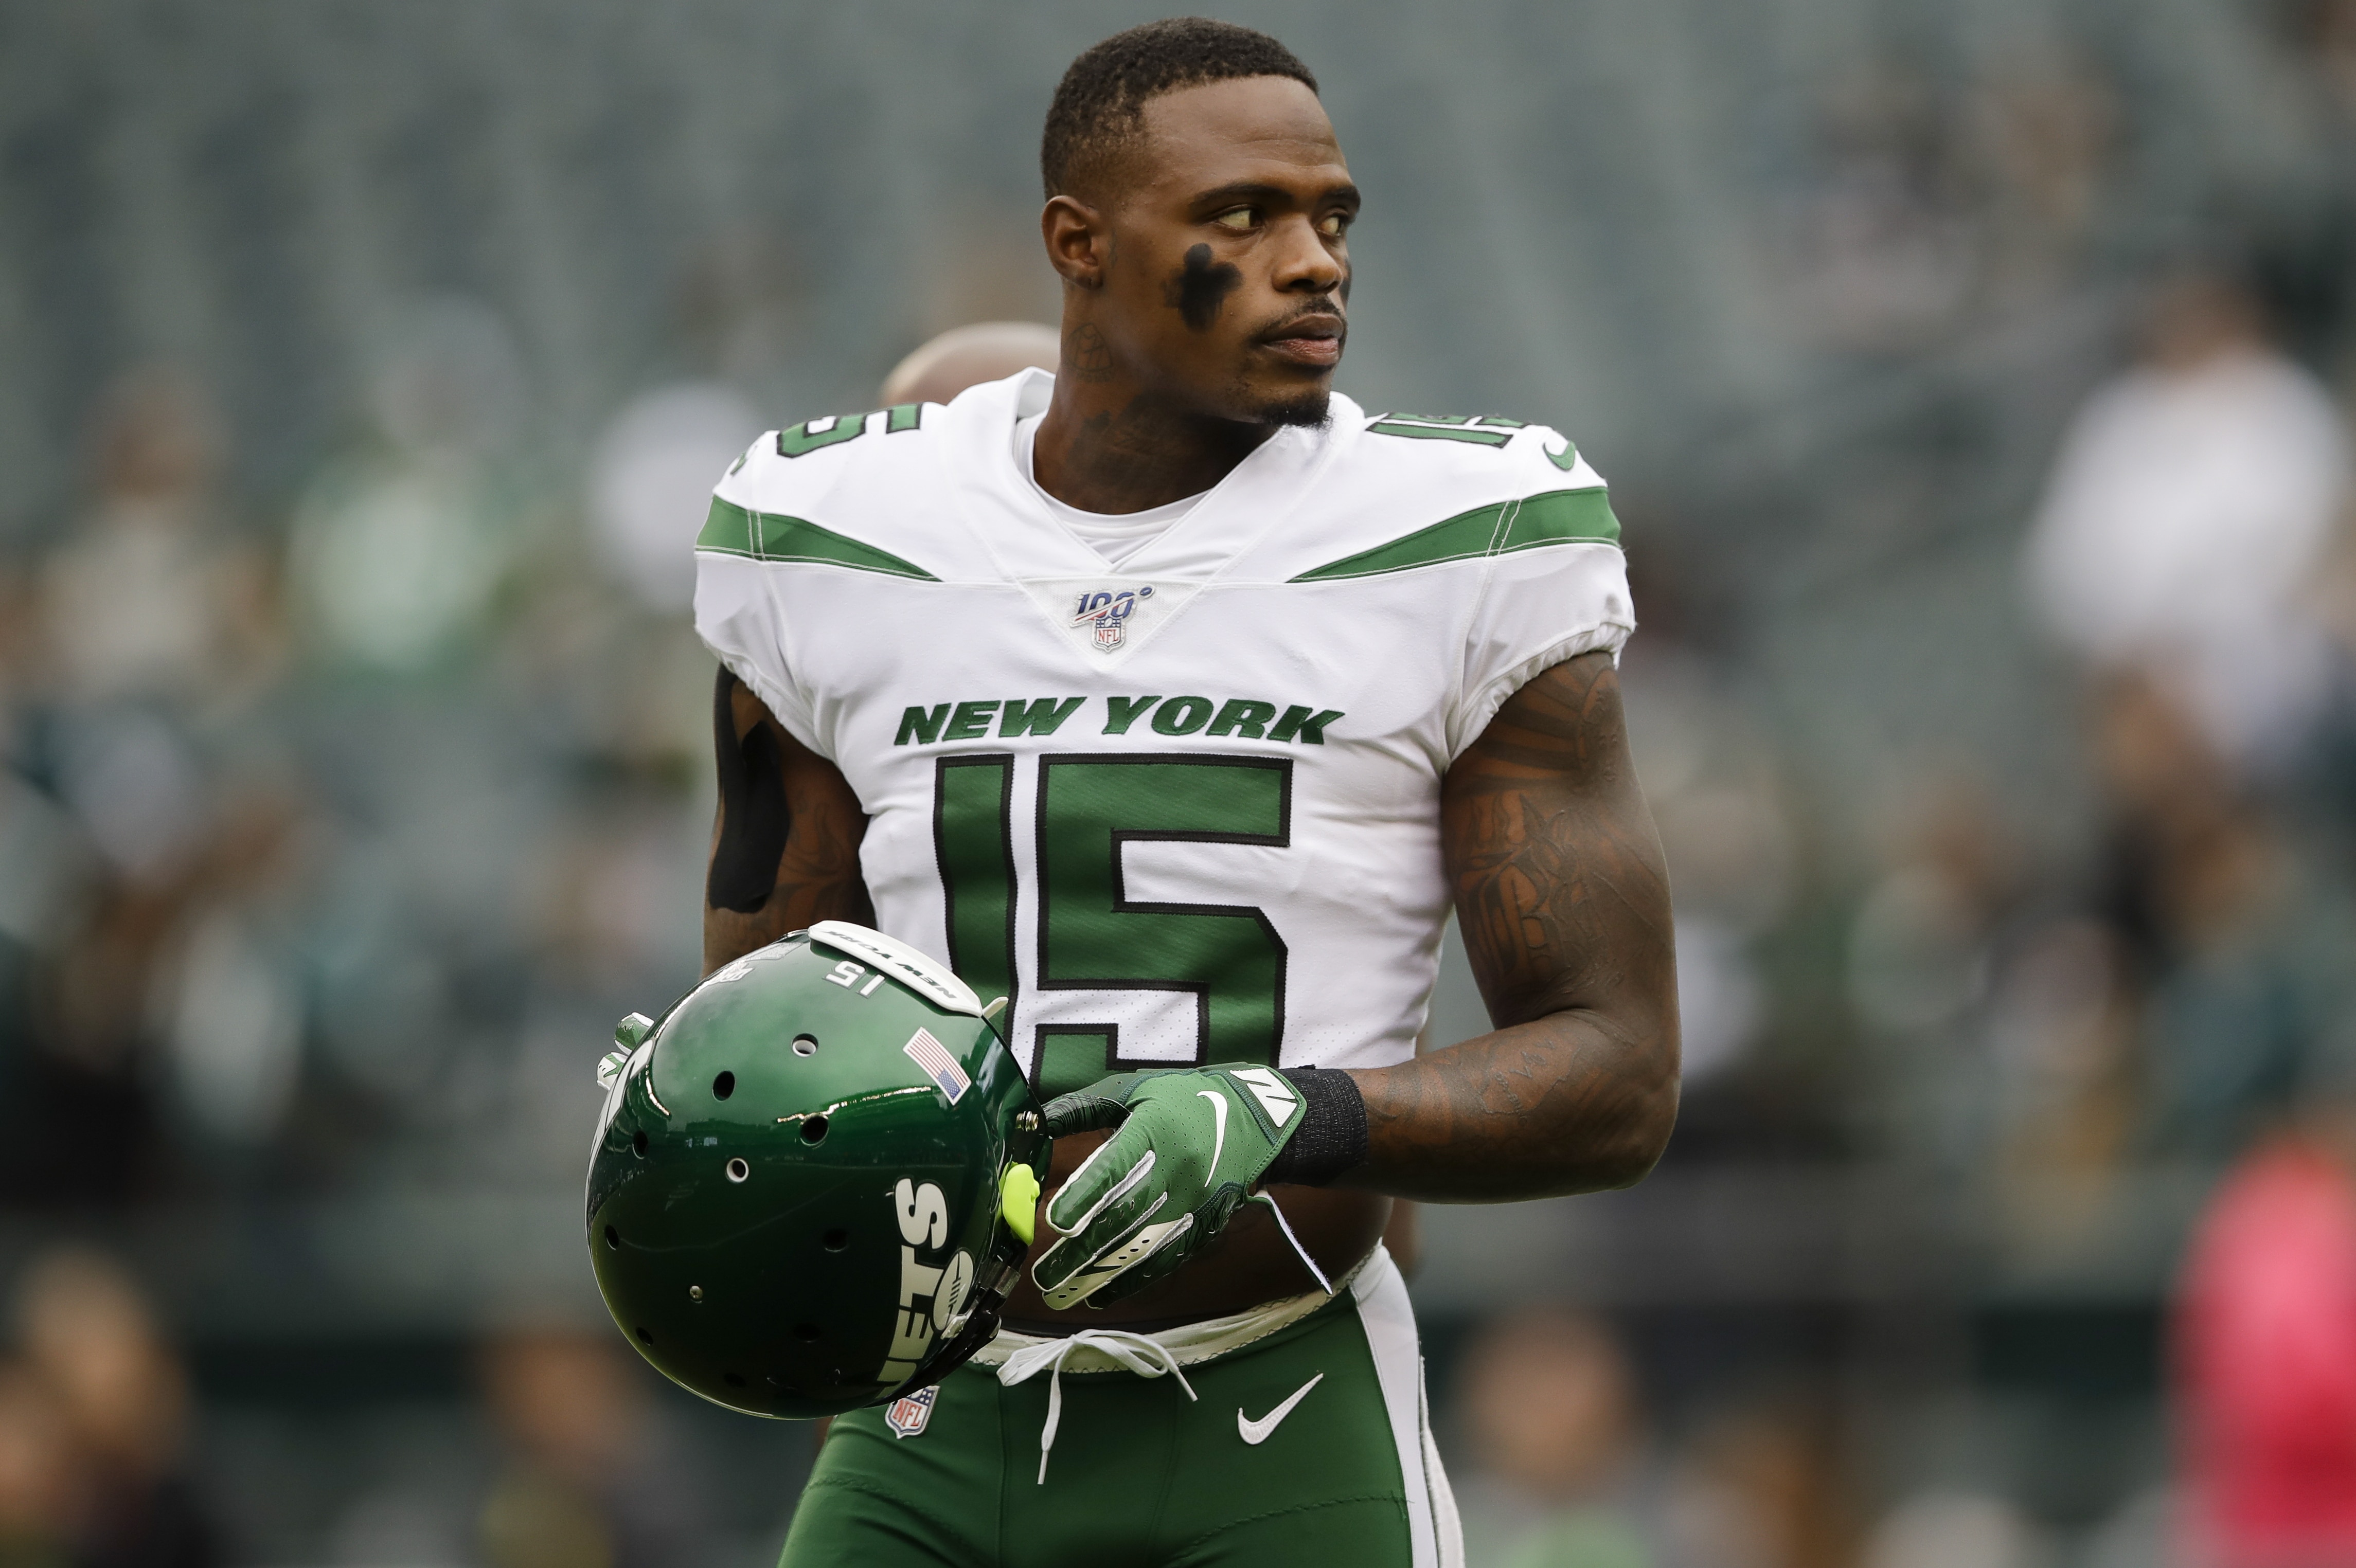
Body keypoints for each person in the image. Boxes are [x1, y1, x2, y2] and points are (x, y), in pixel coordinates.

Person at [692, 20, 1678, 1567]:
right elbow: (774, 1033)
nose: (1313, 261)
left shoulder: (1467, 535)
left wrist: (1292, 1113)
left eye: (1332, 217)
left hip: (1278, 1404)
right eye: (1243, 215)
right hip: (931, 1422)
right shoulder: (831, 536)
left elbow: (1618, 1073)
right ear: (1076, 245)